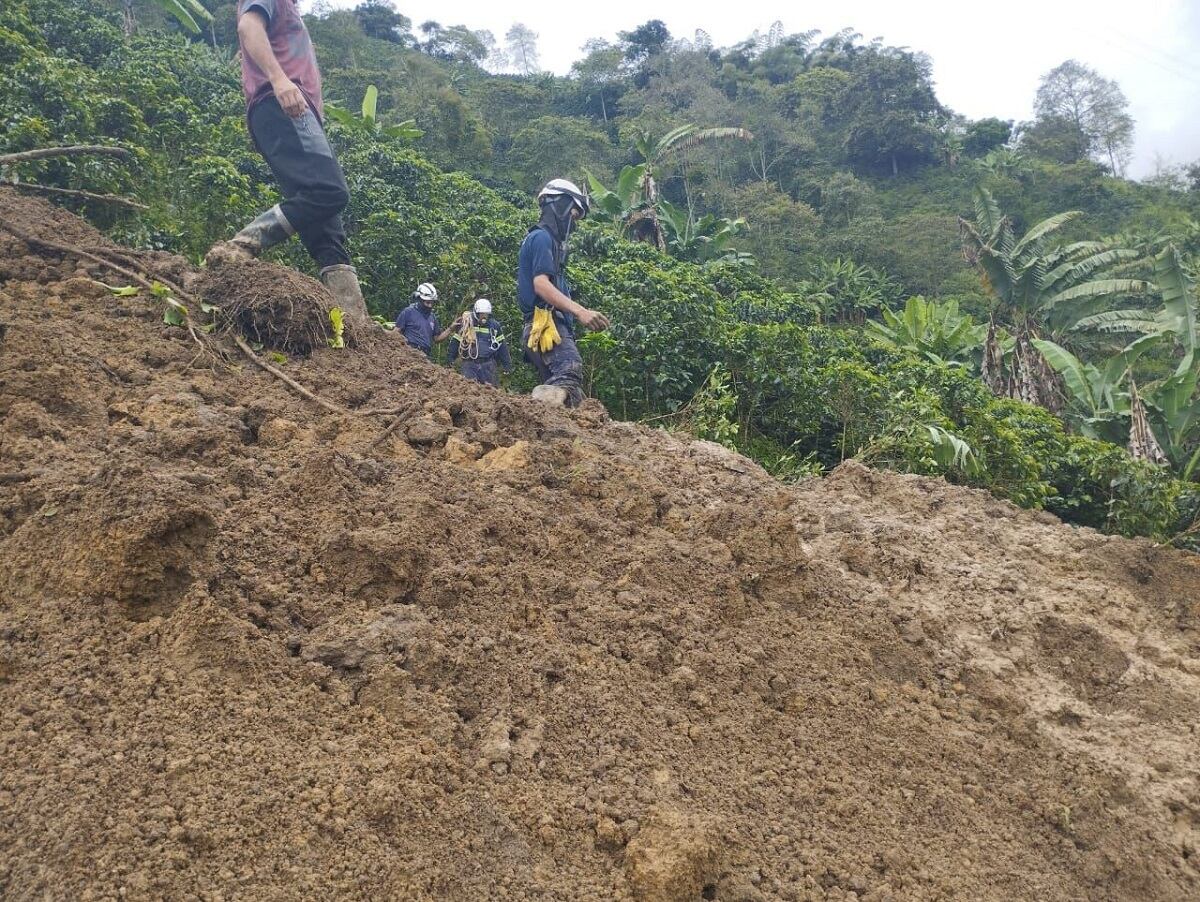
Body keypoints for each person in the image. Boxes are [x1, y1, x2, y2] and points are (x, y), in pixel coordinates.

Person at [206, 0, 369, 325]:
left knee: (327, 232)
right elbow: (248, 26)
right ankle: (240, 246)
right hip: (284, 104)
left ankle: (355, 320)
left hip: (294, 110)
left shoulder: (290, 8)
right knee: (329, 192)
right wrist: (279, 80)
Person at [517, 178, 610, 407]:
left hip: (541, 326)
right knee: (570, 368)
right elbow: (541, 285)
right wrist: (580, 311)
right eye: (573, 215)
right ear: (560, 205)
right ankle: (533, 411)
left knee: (572, 396)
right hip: (546, 323)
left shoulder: (542, 241)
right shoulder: (541, 237)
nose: (573, 223)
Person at [449, 299, 512, 386]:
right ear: (476, 313)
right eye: (481, 314)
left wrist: (507, 365)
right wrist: (450, 359)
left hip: (488, 364)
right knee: (468, 388)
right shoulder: (466, 324)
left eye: (486, 314)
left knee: (491, 390)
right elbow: (456, 342)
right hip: (469, 364)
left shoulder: (494, 326)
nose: (484, 317)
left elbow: (502, 347)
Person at [395, 283, 455, 356]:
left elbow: (437, 339)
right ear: (420, 299)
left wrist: (451, 329)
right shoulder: (408, 312)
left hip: (425, 354)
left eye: (432, 303)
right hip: (409, 353)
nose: (430, 306)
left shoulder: (432, 317)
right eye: (427, 303)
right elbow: (396, 332)